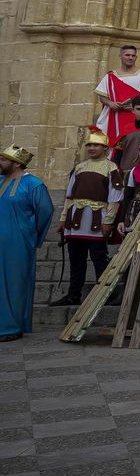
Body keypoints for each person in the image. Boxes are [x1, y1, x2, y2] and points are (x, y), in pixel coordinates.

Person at [51, 130, 121, 307]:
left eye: (96, 145)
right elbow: (69, 196)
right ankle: (73, 294)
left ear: (105, 148)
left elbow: (115, 197)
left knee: (99, 258)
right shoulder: (80, 167)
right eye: (89, 145)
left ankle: (105, 294)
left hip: (97, 220)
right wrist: (62, 219)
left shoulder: (111, 167)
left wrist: (108, 221)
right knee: (76, 260)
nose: (91, 148)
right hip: (75, 220)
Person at [1, 145, 55, 342]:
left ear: (17, 163)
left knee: (14, 282)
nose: (0, 163)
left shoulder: (34, 184)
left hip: (18, 241)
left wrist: (30, 235)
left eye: (4, 159)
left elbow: (45, 211)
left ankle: (11, 327)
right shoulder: (0, 181)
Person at [94, 45, 140, 145]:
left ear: (136, 57)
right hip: (113, 116)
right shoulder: (110, 76)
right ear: (120, 56)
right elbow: (102, 96)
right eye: (127, 55)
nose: (130, 58)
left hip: (136, 116)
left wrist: (136, 106)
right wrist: (110, 103)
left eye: (133, 55)